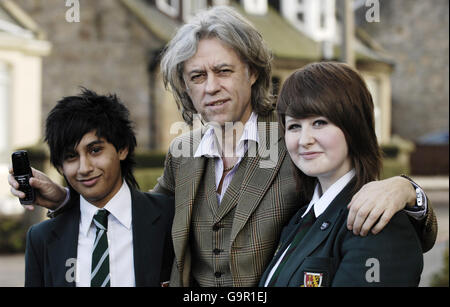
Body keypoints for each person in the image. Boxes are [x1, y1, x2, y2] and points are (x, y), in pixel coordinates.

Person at [9, 6, 436, 287]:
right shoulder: (183, 154)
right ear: (184, 87)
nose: (211, 87)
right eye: (196, 77)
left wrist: (406, 190)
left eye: (223, 71)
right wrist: (66, 198)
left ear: (251, 72)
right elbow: (140, 221)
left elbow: (360, 208)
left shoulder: (293, 140)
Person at [260, 62, 425, 287]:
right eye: (294, 126)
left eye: (319, 123)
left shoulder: (375, 222)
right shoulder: (301, 217)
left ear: (354, 127)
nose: (304, 140)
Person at [21, 89, 174, 287]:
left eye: (95, 150)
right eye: (71, 156)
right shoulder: (41, 239)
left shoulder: (171, 217)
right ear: (60, 167)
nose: (85, 168)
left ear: (122, 148)